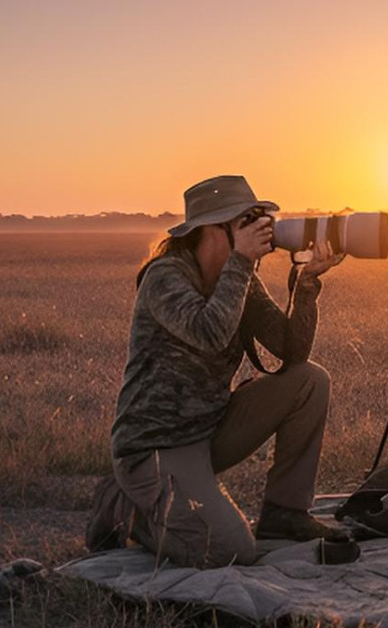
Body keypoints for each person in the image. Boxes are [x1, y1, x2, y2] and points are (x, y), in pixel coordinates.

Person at [85, 175, 346, 568]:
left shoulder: (241, 280)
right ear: (212, 229)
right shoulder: (165, 277)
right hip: (156, 444)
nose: (261, 232)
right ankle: (130, 512)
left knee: (309, 380)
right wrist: (241, 262)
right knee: (230, 551)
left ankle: (285, 513)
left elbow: (291, 351)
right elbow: (209, 332)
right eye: (246, 223)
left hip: (210, 428)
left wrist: (306, 283)